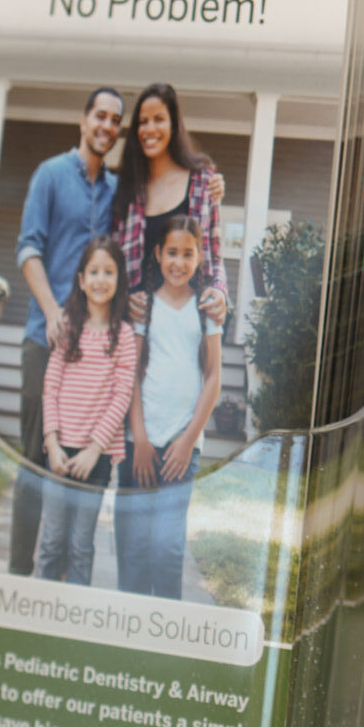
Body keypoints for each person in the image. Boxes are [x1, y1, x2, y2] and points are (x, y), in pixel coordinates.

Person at [10, 87, 124, 573]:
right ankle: (19, 572)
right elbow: (27, 249)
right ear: (83, 120)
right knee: (38, 460)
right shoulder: (51, 175)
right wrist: (54, 311)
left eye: (115, 120)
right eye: (100, 115)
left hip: (96, 355)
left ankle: (58, 577)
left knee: (80, 465)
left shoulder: (120, 191)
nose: (107, 125)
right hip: (47, 341)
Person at [116, 214, 223, 598]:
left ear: (199, 258)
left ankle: (165, 631)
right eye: (172, 252)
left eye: (188, 254)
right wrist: (140, 440)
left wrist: (187, 439)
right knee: (135, 546)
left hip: (183, 447)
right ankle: (128, 630)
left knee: (167, 546)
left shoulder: (206, 310)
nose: (179, 262)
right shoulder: (144, 307)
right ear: (159, 254)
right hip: (141, 445)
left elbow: (213, 378)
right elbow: (132, 374)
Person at [35, 235, 137, 584]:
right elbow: (51, 387)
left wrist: (94, 450)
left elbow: (121, 397)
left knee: (80, 545)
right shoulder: (68, 328)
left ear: (119, 280)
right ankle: (37, 617)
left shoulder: (123, 336)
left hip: (97, 458)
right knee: (51, 540)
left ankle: (70, 626)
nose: (100, 279)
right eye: (93, 271)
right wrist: (52, 442)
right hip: (60, 452)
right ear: (81, 280)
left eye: (108, 272)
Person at [110, 82, 229, 326]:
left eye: (159, 119)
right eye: (142, 121)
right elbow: (115, 261)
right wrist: (124, 297)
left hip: (187, 322)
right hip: (137, 327)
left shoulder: (202, 182)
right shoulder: (128, 189)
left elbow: (215, 257)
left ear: (174, 125)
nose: (149, 129)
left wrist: (219, 291)